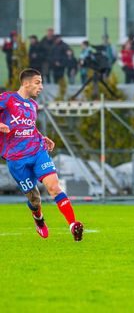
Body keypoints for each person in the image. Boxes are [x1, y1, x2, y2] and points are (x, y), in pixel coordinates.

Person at [0, 68, 84, 241]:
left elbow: (29, 126)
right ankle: (38, 218)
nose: (41, 87)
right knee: (35, 199)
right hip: (16, 159)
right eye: (38, 82)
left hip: (37, 151)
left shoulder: (33, 105)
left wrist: (41, 136)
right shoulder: (7, 99)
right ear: (26, 83)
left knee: (54, 186)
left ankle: (73, 224)